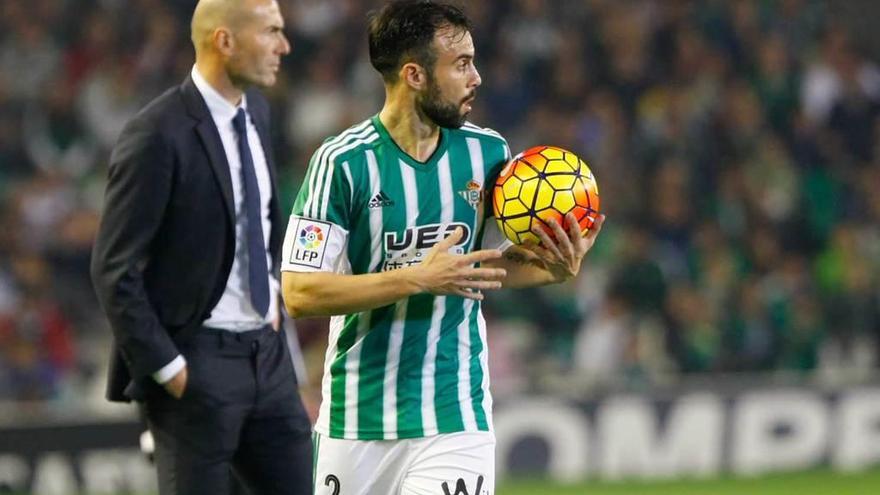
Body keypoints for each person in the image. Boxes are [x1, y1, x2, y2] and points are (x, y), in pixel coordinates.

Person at [280, 1, 605, 494]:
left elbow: (482, 269)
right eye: (460, 65)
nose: (476, 77)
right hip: (357, 419)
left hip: (454, 415)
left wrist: (552, 267)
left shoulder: (490, 154)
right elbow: (300, 293)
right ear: (414, 74)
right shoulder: (340, 163)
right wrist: (417, 277)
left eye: (473, 61)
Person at [90, 1, 312, 494]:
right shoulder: (155, 134)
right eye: (271, 32)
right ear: (225, 41)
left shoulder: (257, 110)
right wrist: (171, 370)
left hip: (267, 356)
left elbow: (261, 220)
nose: (284, 45)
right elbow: (113, 269)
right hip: (198, 364)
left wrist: (273, 299)